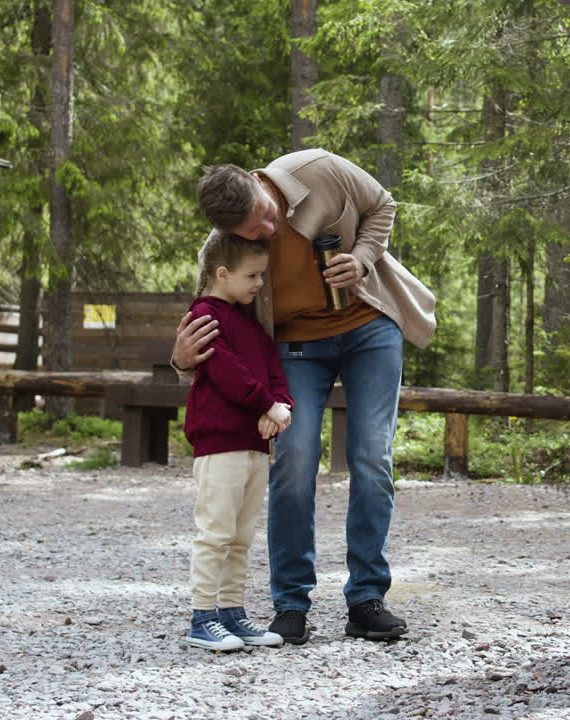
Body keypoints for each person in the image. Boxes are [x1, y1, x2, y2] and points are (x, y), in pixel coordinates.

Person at [172, 149, 436, 645]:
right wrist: (182, 356)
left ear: (259, 186)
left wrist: (361, 260)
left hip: (368, 326)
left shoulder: (316, 168)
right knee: (293, 457)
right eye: (253, 234)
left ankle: (366, 599)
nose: (266, 231)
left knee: (371, 457)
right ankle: (291, 603)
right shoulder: (222, 244)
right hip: (294, 346)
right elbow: (211, 312)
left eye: (265, 216)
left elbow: (384, 206)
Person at [182, 231, 293, 651]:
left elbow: (274, 373)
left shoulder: (252, 327)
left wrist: (280, 408)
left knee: (242, 535)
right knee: (216, 531)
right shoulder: (203, 316)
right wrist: (267, 404)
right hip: (220, 443)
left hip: (254, 444)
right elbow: (227, 373)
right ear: (222, 273)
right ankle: (202, 616)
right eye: (252, 276)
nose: (259, 285)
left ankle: (232, 612)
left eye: (262, 276)